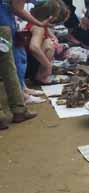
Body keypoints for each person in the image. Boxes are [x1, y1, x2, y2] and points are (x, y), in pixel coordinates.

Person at [0, 0, 49, 129]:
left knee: (7, 70)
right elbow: (18, 8)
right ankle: (18, 110)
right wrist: (39, 23)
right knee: (8, 70)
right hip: (2, 26)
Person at [25, 0, 65, 85]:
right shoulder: (39, 28)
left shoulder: (41, 25)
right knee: (48, 44)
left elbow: (50, 34)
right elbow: (34, 47)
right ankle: (40, 77)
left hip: (28, 62)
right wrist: (48, 65)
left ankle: (40, 75)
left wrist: (53, 37)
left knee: (50, 41)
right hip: (29, 65)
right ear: (50, 17)